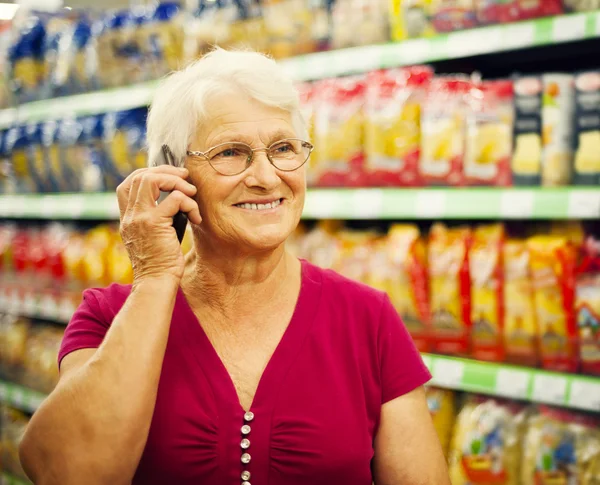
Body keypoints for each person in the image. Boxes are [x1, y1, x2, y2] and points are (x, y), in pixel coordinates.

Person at [19, 48, 450, 485]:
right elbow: (67, 471)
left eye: (283, 147)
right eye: (231, 152)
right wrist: (153, 279)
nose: (265, 177)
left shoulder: (366, 319)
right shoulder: (109, 317)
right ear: (170, 171)